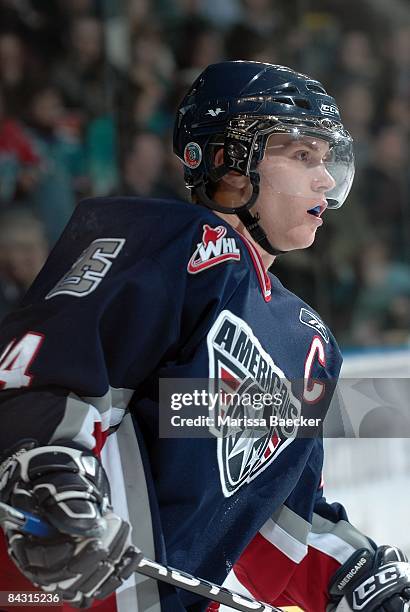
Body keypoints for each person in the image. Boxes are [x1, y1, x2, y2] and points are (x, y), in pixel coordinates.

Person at [0, 61, 408, 612]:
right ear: (229, 162)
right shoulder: (170, 242)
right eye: (301, 155)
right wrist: (45, 469)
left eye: (327, 159)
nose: (326, 179)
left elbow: (270, 515)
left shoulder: (307, 342)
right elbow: (48, 368)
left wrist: (357, 578)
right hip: (59, 593)